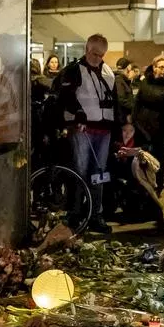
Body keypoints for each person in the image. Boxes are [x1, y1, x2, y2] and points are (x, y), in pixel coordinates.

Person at [50, 33, 120, 234]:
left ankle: (95, 214)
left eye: (101, 55)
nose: (97, 58)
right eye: (94, 53)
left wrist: (120, 126)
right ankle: (75, 212)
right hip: (83, 130)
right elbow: (63, 97)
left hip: (103, 131)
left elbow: (114, 101)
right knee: (80, 172)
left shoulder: (108, 72)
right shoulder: (73, 71)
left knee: (99, 174)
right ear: (86, 50)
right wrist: (76, 117)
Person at [132, 55, 164, 191]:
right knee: (141, 159)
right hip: (141, 128)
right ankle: (141, 188)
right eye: (161, 67)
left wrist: (160, 118)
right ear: (154, 68)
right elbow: (137, 103)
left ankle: (156, 188)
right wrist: (135, 120)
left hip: (159, 130)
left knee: (157, 160)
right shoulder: (145, 83)